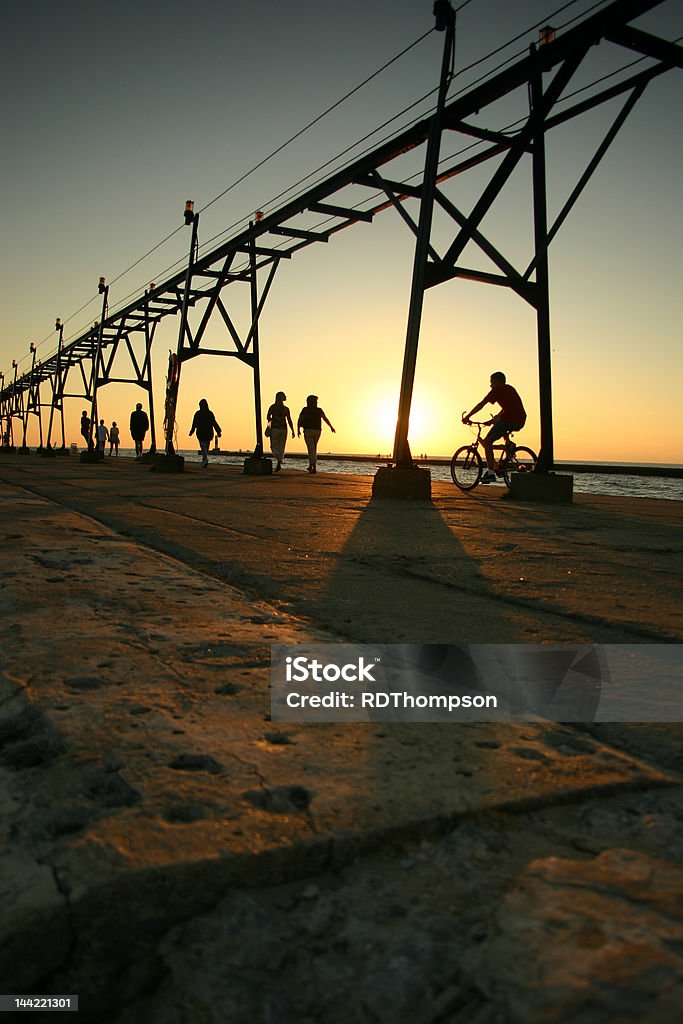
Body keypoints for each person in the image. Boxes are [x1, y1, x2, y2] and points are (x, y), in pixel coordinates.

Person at [463, 371, 526, 483]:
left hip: (509, 419)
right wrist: (492, 421)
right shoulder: (510, 389)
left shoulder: (497, 390)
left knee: (487, 442)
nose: (490, 385)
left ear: (497, 382)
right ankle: (508, 447)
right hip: (520, 420)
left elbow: (481, 404)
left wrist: (468, 416)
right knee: (500, 427)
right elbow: (506, 409)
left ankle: (491, 473)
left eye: (491, 382)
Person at [297, 395, 335, 474]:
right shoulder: (319, 410)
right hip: (317, 431)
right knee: (313, 448)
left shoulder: (305, 409)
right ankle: (311, 466)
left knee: (311, 449)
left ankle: (313, 466)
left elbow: (300, 419)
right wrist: (331, 426)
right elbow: (325, 418)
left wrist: (298, 429)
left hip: (308, 430)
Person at [189, 398, 222, 468]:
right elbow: (214, 423)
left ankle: (205, 459)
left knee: (204, 447)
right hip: (207, 433)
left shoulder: (198, 414)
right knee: (205, 448)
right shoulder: (209, 413)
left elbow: (194, 424)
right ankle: (204, 460)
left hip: (202, 433)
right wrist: (218, 431)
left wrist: (192, 431)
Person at [266, 391, 294, 472]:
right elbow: (289, 420)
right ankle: (279, 461)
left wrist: (273, 419)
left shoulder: (272, 407)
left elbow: (268, 417)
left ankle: (279, 460)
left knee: (273, 446)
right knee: (281, 447)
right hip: (284, 429)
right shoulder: (286, 409)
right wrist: (292, 430)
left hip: (275, 428)